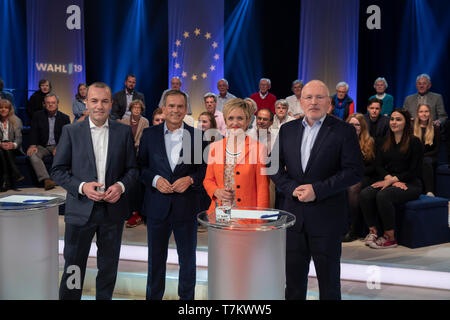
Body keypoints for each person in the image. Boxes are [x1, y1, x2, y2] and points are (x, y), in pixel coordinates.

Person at [270, 80, 363, 300]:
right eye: (309, 97)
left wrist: (318, 190)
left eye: (319, 97)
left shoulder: (344, 131)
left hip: (327, 219)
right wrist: (292, 188)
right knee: (293, 284)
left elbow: (354, 171)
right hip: (294, 219)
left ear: (329, 103)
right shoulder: (287, 130)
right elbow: (273, 167)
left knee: (329, 285)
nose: (314, 102)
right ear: (300, 102)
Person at [51, 82, 138, 300]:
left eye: (104, 101)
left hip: (113, 211)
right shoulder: (71, 131)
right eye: (94, 101)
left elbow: (133, 169)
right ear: (86, 103)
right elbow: (58, 171)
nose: (99, 106)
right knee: (74, 267)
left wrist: (120, 186)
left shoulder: (123, 131)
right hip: (80, 210)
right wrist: (82, 187)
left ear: (111, 104)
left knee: (108, 267)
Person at [138, 89, 206, 300]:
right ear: (163, 109)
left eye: (180, 106)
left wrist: (191, 179)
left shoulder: (197, 136)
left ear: (186, 109)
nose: (175, 110)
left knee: (187, 261)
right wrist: (155, 180)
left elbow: (204, 170)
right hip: (157, 208)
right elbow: (140, 168)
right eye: (171, 106)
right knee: (155, 261)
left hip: (186, 208)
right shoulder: (149, 135)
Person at [359, 108, 423, 249]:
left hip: (410, 183)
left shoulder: (414, 142)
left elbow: (415, 170)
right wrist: (389, 178)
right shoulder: (384, 141)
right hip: (390, 181)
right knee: (365, 194)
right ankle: (373, 231)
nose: (394, 122)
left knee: (383, 195)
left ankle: (390, 237)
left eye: (398, 119)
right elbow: (378, 166)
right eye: (392, 119)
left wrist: (394, 180)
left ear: (406, 123)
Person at [203, 98, 269, 210]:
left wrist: (260, 221)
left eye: (240, 118)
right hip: (219, 214)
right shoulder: (215, 147)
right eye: (230, 118)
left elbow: (262, 189)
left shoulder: (259, 149)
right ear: (225, 120)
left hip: (247, 217)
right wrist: (215, 191)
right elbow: (208, 180)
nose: (235, 123)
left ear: (248, 120)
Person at [343, 113, 376, 242]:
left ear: (362, 127)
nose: (354, 127)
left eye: (357, 124)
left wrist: (355, 173)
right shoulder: (341, 140)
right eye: (351, 124)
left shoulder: (369, 141)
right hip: (346, 175)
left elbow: (373, 166)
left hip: (365, 176)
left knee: (353, 187)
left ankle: (354, 228)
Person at [27, 93, 70, 190]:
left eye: (53, 103)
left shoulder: (65, 118)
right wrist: (32, 145)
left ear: (57, 104)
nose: (50, 105)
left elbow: (66, 137)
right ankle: (46, 179)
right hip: (42, 146)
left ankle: (62, 179)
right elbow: (33, 131)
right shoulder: (37, 115)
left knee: (66, 153)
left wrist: (60, 147)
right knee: (32, 154)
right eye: (48, 103)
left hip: (58, 145)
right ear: (44, 104)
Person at [119, 99, 150, 228]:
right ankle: (126, 211)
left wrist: (133, 146)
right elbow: (121, 137)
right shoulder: (125, 120)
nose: (136, 110)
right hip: (126, 153)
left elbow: (144, 139)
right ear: (131, 109)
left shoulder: (145, 122)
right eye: (134, 107)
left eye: (139, 108)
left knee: (136, 182)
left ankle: (137, 212)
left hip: (138, 154)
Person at [413, 104, 440, 197]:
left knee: (425, 161)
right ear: (417, 114)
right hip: (415, 157)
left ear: (430, 113)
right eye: (421, 111)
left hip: (430, 157)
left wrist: (422, 156)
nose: (424, 114)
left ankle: (429, 191)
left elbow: (436, 149)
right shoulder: (412, 128)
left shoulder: (435, 128)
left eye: (426, 111)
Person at [0, 99, 24, 191]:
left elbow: (18, 138)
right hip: (1, 146)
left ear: (10, 110)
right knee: (2, 151)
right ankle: (16, 173)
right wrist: (0, 144)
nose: (3, 110)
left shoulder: (16, 121)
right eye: (1, 108)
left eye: (6, 108)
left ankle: (5, 181)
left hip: (13, 148)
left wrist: (13, 145)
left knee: (6, 150)